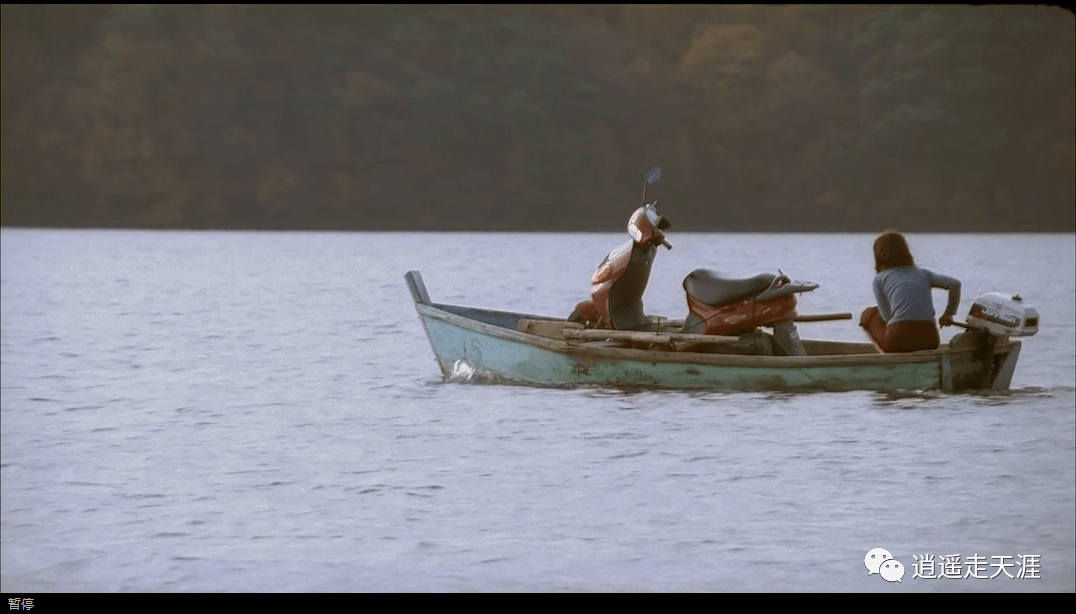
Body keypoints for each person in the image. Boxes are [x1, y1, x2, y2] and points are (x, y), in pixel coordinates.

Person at [859, 230, 961, 353]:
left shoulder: (880, 279)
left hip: (898, 340)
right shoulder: (924, 273)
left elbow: (887, 318)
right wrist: (949, 314)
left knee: (868, 314)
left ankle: (886, 356)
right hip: (930, 340)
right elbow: (954, 284)